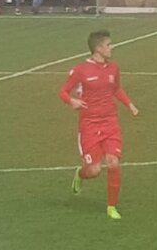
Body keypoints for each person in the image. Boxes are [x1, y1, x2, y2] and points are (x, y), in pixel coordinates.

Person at [59, 29, 139, 220]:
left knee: (113, 163)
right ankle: (81, 173)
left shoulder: (114, 68)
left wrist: (130, 105)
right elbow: (63, 92)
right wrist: (72, 101)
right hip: (89, 124)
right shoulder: (80, 70)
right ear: (98, 48)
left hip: (110, 122)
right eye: (108, 45)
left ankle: (111, 207)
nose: (112, 48)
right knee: (94, 170)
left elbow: (117, 89)